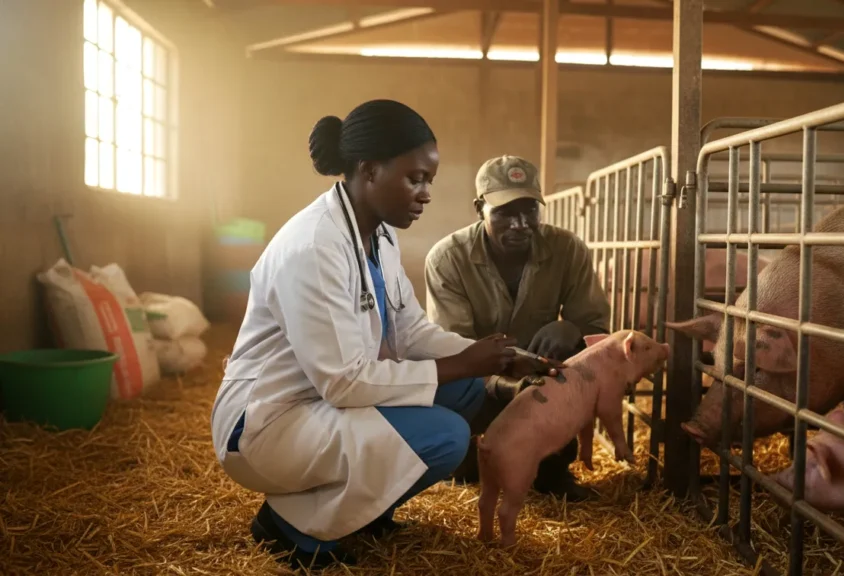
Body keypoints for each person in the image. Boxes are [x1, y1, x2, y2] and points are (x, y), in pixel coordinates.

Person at [209, 100, 530, 571]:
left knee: (463, 390)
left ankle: (365, 510)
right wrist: (464, 362)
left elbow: (409, 329)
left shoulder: (377, 234)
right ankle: (290, 526)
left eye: (430, 182)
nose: (425, 194)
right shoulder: (316, 246)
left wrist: (496, 356)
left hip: (316, 405)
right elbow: (342, 383)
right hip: (266, 423)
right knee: (447, 436)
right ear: (370, 170)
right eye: (414, 178)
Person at [424, 155, 611, 502]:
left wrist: (570, 327)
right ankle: (468, 457)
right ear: (479, 208)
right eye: (505, 212)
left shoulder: (567, 250)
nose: (520, 224)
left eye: (529, 211)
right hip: (480, 380)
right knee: (466, 478)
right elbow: (454, 346)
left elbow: (596, 327)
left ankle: (554, 469)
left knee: (574, 355)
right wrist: (507, 381)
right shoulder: (448, 258)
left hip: (544, 378)